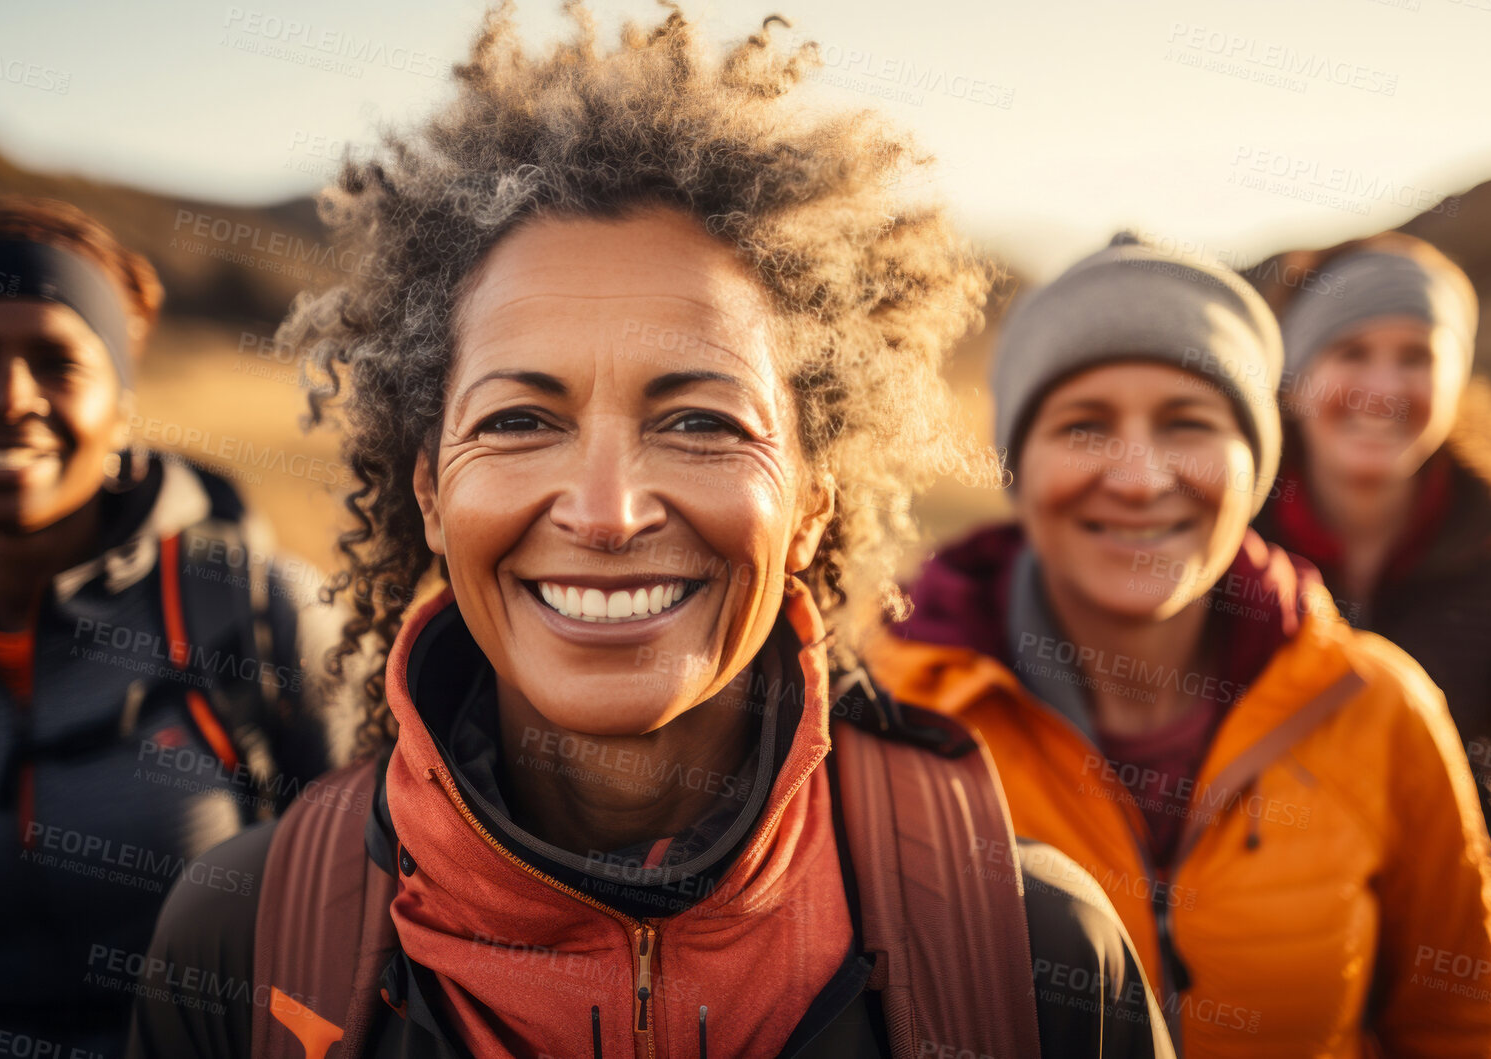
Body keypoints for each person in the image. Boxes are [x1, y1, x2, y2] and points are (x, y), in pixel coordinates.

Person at [127, 8, 1175, 1058]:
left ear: (812, 498)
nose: (606, 511)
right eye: (519, 421)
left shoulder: (1027, 951)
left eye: (699, 423)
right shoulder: (246, 942)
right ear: (431, 496)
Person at [870, 232, 1491, 1056]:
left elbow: (1452, 1027)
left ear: (1256, 466)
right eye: (1083, 426)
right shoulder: (888, 715)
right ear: (1016, 468)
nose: (1139, 478)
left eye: (1188, 423)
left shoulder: (1378, 704)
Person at [0, 198, 355, 1058]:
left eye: (57, 362)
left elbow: (373, 935)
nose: (8, 398)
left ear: (122, 401)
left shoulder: (256, 613)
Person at [1248, 232, 1491, 1056]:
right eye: (1351, 350)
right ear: (1296, 371)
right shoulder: (1227, 542)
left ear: (1454, 379)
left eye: (1415, 356)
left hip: (1444, 971)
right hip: (1255, 960)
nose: (1384, 386)